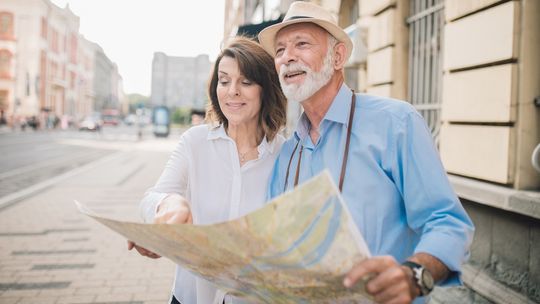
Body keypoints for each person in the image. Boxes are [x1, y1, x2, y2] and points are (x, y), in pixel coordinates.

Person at [258, 2, 474, 304]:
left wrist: (414, 275)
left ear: (337, 56)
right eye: (279, 50)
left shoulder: (395, 123)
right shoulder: (287, 153)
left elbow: (448, 222)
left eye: (301, 44)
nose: (287, 57)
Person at [128, 36, 287, 304]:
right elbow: (151, 198)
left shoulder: (287, 153)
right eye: (224, 81)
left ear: (267, 89)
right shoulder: (195, 142)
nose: (232, 91)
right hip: (193, 296)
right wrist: (169, 207)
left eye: (246, 82)